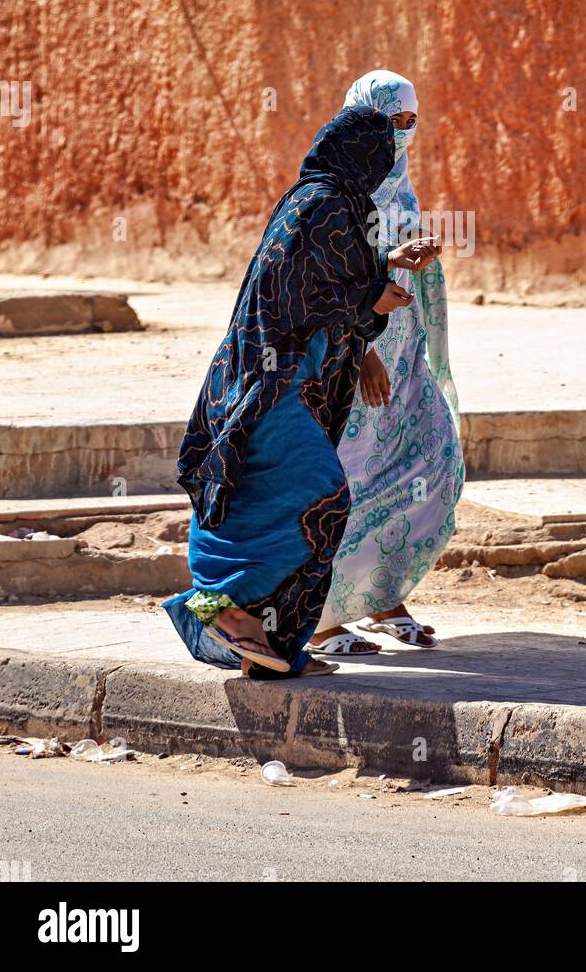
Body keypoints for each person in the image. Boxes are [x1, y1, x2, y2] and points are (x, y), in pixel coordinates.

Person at [163, 106, 438, 679]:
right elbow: (297, 295)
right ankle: (226, 613)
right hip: (274, 384)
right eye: (383, 147)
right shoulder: (328, 204)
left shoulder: (315, 199)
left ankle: (270, 648)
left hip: (267, 380)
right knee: (318, 499)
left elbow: (314, 276)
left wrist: (386, 264)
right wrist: (373, 301)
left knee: (261, 499)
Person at [311, 70, 465, 657]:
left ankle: (381, 593)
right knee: (349, 477)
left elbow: (387, 258)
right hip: (357, 355)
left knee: (430, 458)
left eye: (410, 122)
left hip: (404, 351)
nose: (402, 133)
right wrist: (363, 350)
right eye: (390, 122)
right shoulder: (340, 187)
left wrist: (419, 260)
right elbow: (330, 277)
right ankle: (322, 617)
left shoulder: (398, 182)